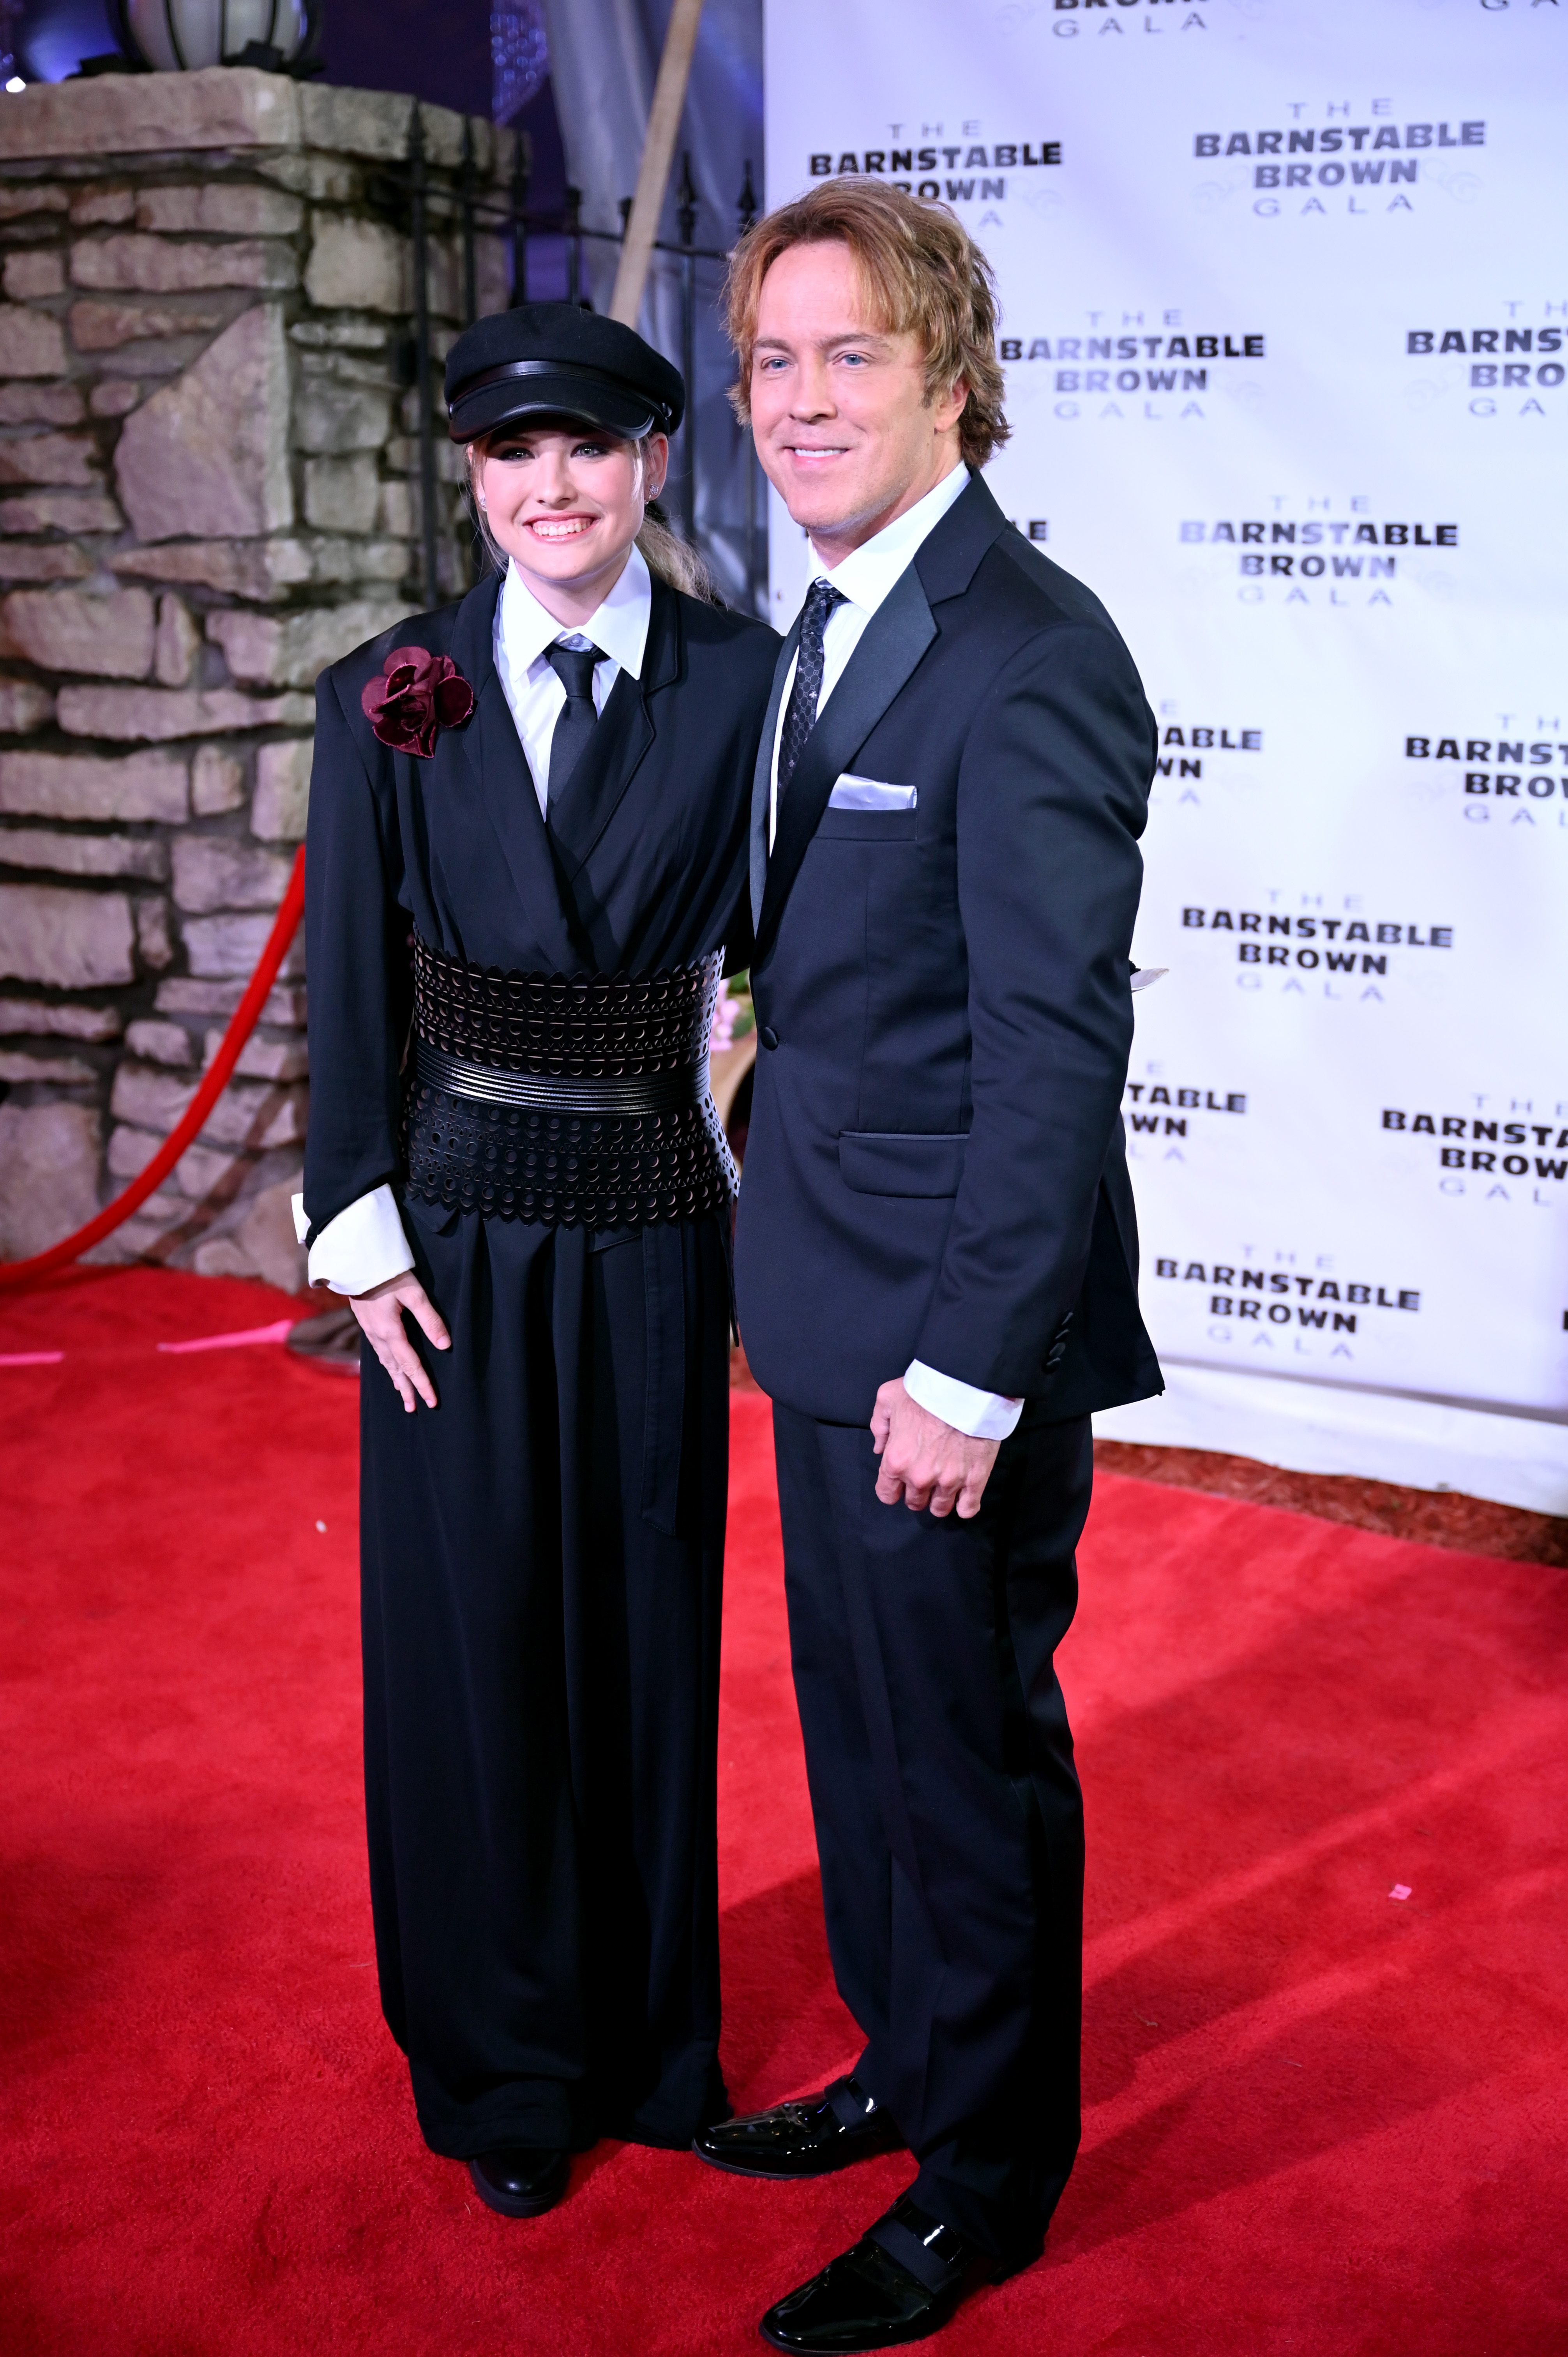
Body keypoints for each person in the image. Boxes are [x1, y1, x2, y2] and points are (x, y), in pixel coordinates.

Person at [696, 182, 1163, 2348]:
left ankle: (984, 2182)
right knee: (873, 1745)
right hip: (816, 1301)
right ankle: (906, 2064)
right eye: (772, 359)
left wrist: (970, 1373)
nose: (799, 400)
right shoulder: (825, 624)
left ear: (950, 373)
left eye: (847, 355)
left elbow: (1055, 1051)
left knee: (961, 1756)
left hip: (939, 1344)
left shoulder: (1030, 651)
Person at [293, 305, 778, 2219]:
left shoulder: (748, 683)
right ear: (473, 477)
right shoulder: (392, 685)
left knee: (646, 1634)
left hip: (661, 1212)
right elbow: (347, 980)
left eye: (587, 450)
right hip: (452, 1240)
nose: (550, 489)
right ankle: (501, 2065)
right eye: (511, 456)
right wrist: (356, 1232)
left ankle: (658, 2043)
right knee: (469, 1646)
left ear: (653, 464)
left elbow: (797, 967)